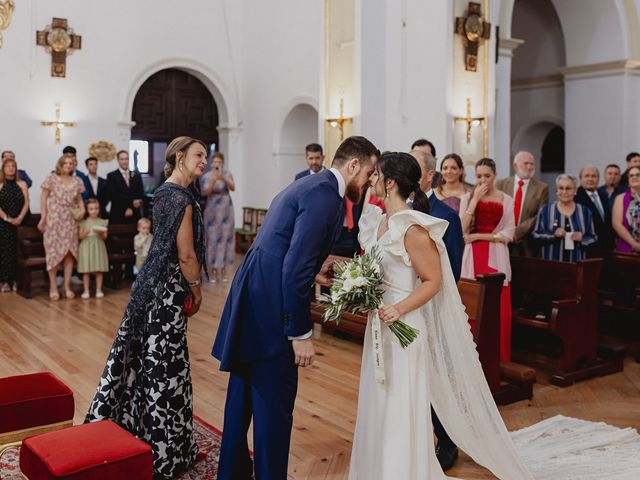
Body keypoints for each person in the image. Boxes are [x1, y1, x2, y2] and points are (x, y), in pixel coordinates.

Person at [213, 136, 379, 480]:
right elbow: (293, 268)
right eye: (369, 172)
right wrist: (300, 333)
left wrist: (318, 266)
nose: (370, 181)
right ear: (352, 166)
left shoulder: (308, 185)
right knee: (274, 403)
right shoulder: (324, 197)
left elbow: (283, 247)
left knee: (242, 395)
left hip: (253, 293)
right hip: (272, 305)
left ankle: (232, 473)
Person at [86, 136, 207, 479]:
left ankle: (137, 436)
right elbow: (185, 254)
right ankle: (166, 452)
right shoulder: (180, 196)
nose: (204, 161)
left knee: (143, 359)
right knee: (166, 367)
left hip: (148, 286)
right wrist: (196, 290)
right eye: (198, 155)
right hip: (167, 291)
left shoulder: (166, 191)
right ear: (180, 157)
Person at [410, 149, 463, 470]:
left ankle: (446, 439)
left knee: (438, 376)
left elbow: (452, 272)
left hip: (434, 306)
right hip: (404, 305)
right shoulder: (400, 210)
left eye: (414, 168)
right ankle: (415, 435)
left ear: (430, 175)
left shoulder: (447, 216)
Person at [460, 158, 515, 363]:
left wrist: (479, 237)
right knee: (472, 304)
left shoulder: (506, 199)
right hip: (472, 256)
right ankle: (471, 358)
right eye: (479, 176)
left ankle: (497, 358)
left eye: (487, 176)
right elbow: (461, 229)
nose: (483, 180)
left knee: (497, 304)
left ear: (495, 175)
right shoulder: (467, 197)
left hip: (496, 254)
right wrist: (474, 201)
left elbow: (509, 233)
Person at [38, 154, 85, 300]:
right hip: (54, 219)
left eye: (72, 163)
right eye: (66, 163)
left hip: (70, 220)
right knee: (52, 253)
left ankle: (66, 286)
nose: (69, 165)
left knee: (69, 253)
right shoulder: (51, 178)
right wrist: (43, 216)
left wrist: (82, 210)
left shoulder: (77, 181)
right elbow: (44, 197)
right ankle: (53, 286)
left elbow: (79, 200)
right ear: (60, 164)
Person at [495, 151, 549, 257]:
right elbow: (496, 210)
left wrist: (517, 232)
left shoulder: (542, 188)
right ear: (515, 166)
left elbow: (540, 215)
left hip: (527, 244)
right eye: (526, 163)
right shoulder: (501, 184)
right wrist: (507, 232)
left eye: (532, 164)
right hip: (502, 240)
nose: (529, 167)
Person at [533, 174, 597, 262]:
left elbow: (593, 238)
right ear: (556, 191)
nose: (564, 192)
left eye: (568, 188)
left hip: (577, 265)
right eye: (561, 188)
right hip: (551, 264)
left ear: (575, 190)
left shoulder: (585, 212)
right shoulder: (545, 210)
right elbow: (536, 235)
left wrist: (582, 238)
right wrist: (553, 235)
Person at [201, 151, 236, 282]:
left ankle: (224, 271)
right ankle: (212, 271)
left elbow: (233, 188)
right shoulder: (207, 176)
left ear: (222, 163)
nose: (217, 164)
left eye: (219, 162)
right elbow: (205, 192)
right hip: (212, 210)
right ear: (211, 163)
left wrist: (224, 178)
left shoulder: (227, 174)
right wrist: (214, 180)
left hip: (226, 209)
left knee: (226, 239)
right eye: (215, 162)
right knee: (212, 239)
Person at [0, 155, 29, 292]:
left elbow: (26, 203)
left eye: (13, 166)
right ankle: (5, 281)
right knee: (5, 252)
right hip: (3, 224)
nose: (11, 168)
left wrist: (20, 217)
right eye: (8, 166)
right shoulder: (0, 184)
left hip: (19, 222)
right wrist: (7, 218)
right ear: (3, 169)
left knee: (17, 251)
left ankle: (17, 280)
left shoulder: (22, 184)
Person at [575, 166, 615, 256]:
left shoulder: (603, 195)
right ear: (580, 179)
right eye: (587, 176)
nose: (590, 179)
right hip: (586, 249)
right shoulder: (575, 197)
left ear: (598, 179)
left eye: (594, 176)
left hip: (606, 248)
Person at [78, 199, 109, 299]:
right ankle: (86, 290)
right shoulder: (83, 222)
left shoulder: (102, 222)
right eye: (91, 209)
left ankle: (98, 289)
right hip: (86, 247)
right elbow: (80, 237)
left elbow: (104, 237)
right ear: (87, 210)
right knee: (86, 270)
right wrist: (85, 233)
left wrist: (100, 233)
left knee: (99, 269)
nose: (94, 211)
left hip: (98, 246)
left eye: (96, 208)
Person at [105, 150, 144, 223]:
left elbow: (140, 192)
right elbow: (113, 195)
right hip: (118, 213)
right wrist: (127, 207)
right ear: (118, 160)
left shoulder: (136, 175)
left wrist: (138, 200)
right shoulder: (111, 176)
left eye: (126, 159)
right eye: (122, 159)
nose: (124, 161)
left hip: (135, 213)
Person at [612, 165, 640, 253]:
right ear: (628, 181)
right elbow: (617, 224)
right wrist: (634, 244)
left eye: (638, 175)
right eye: (631, 175)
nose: (634, 177)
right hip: (627, 247)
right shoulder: (620, 198)